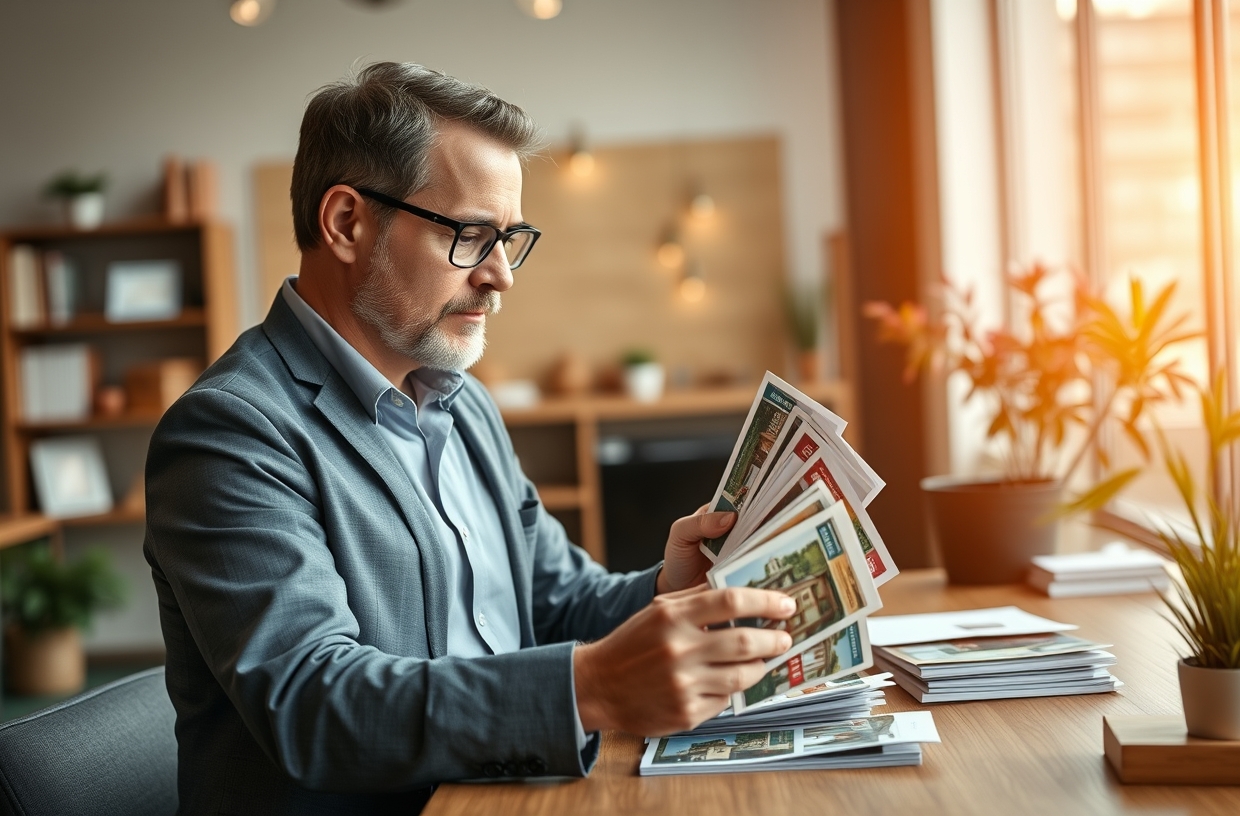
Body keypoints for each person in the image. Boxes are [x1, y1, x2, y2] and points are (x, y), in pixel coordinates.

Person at [144, 62, 794, 815]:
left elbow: (551, 603)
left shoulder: (464, 404)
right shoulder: (230, 433)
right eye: (470, 236)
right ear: (347, 223)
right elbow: (313, 702)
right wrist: (590, 686)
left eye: (509, 239)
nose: (499, 276)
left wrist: (662, 589)